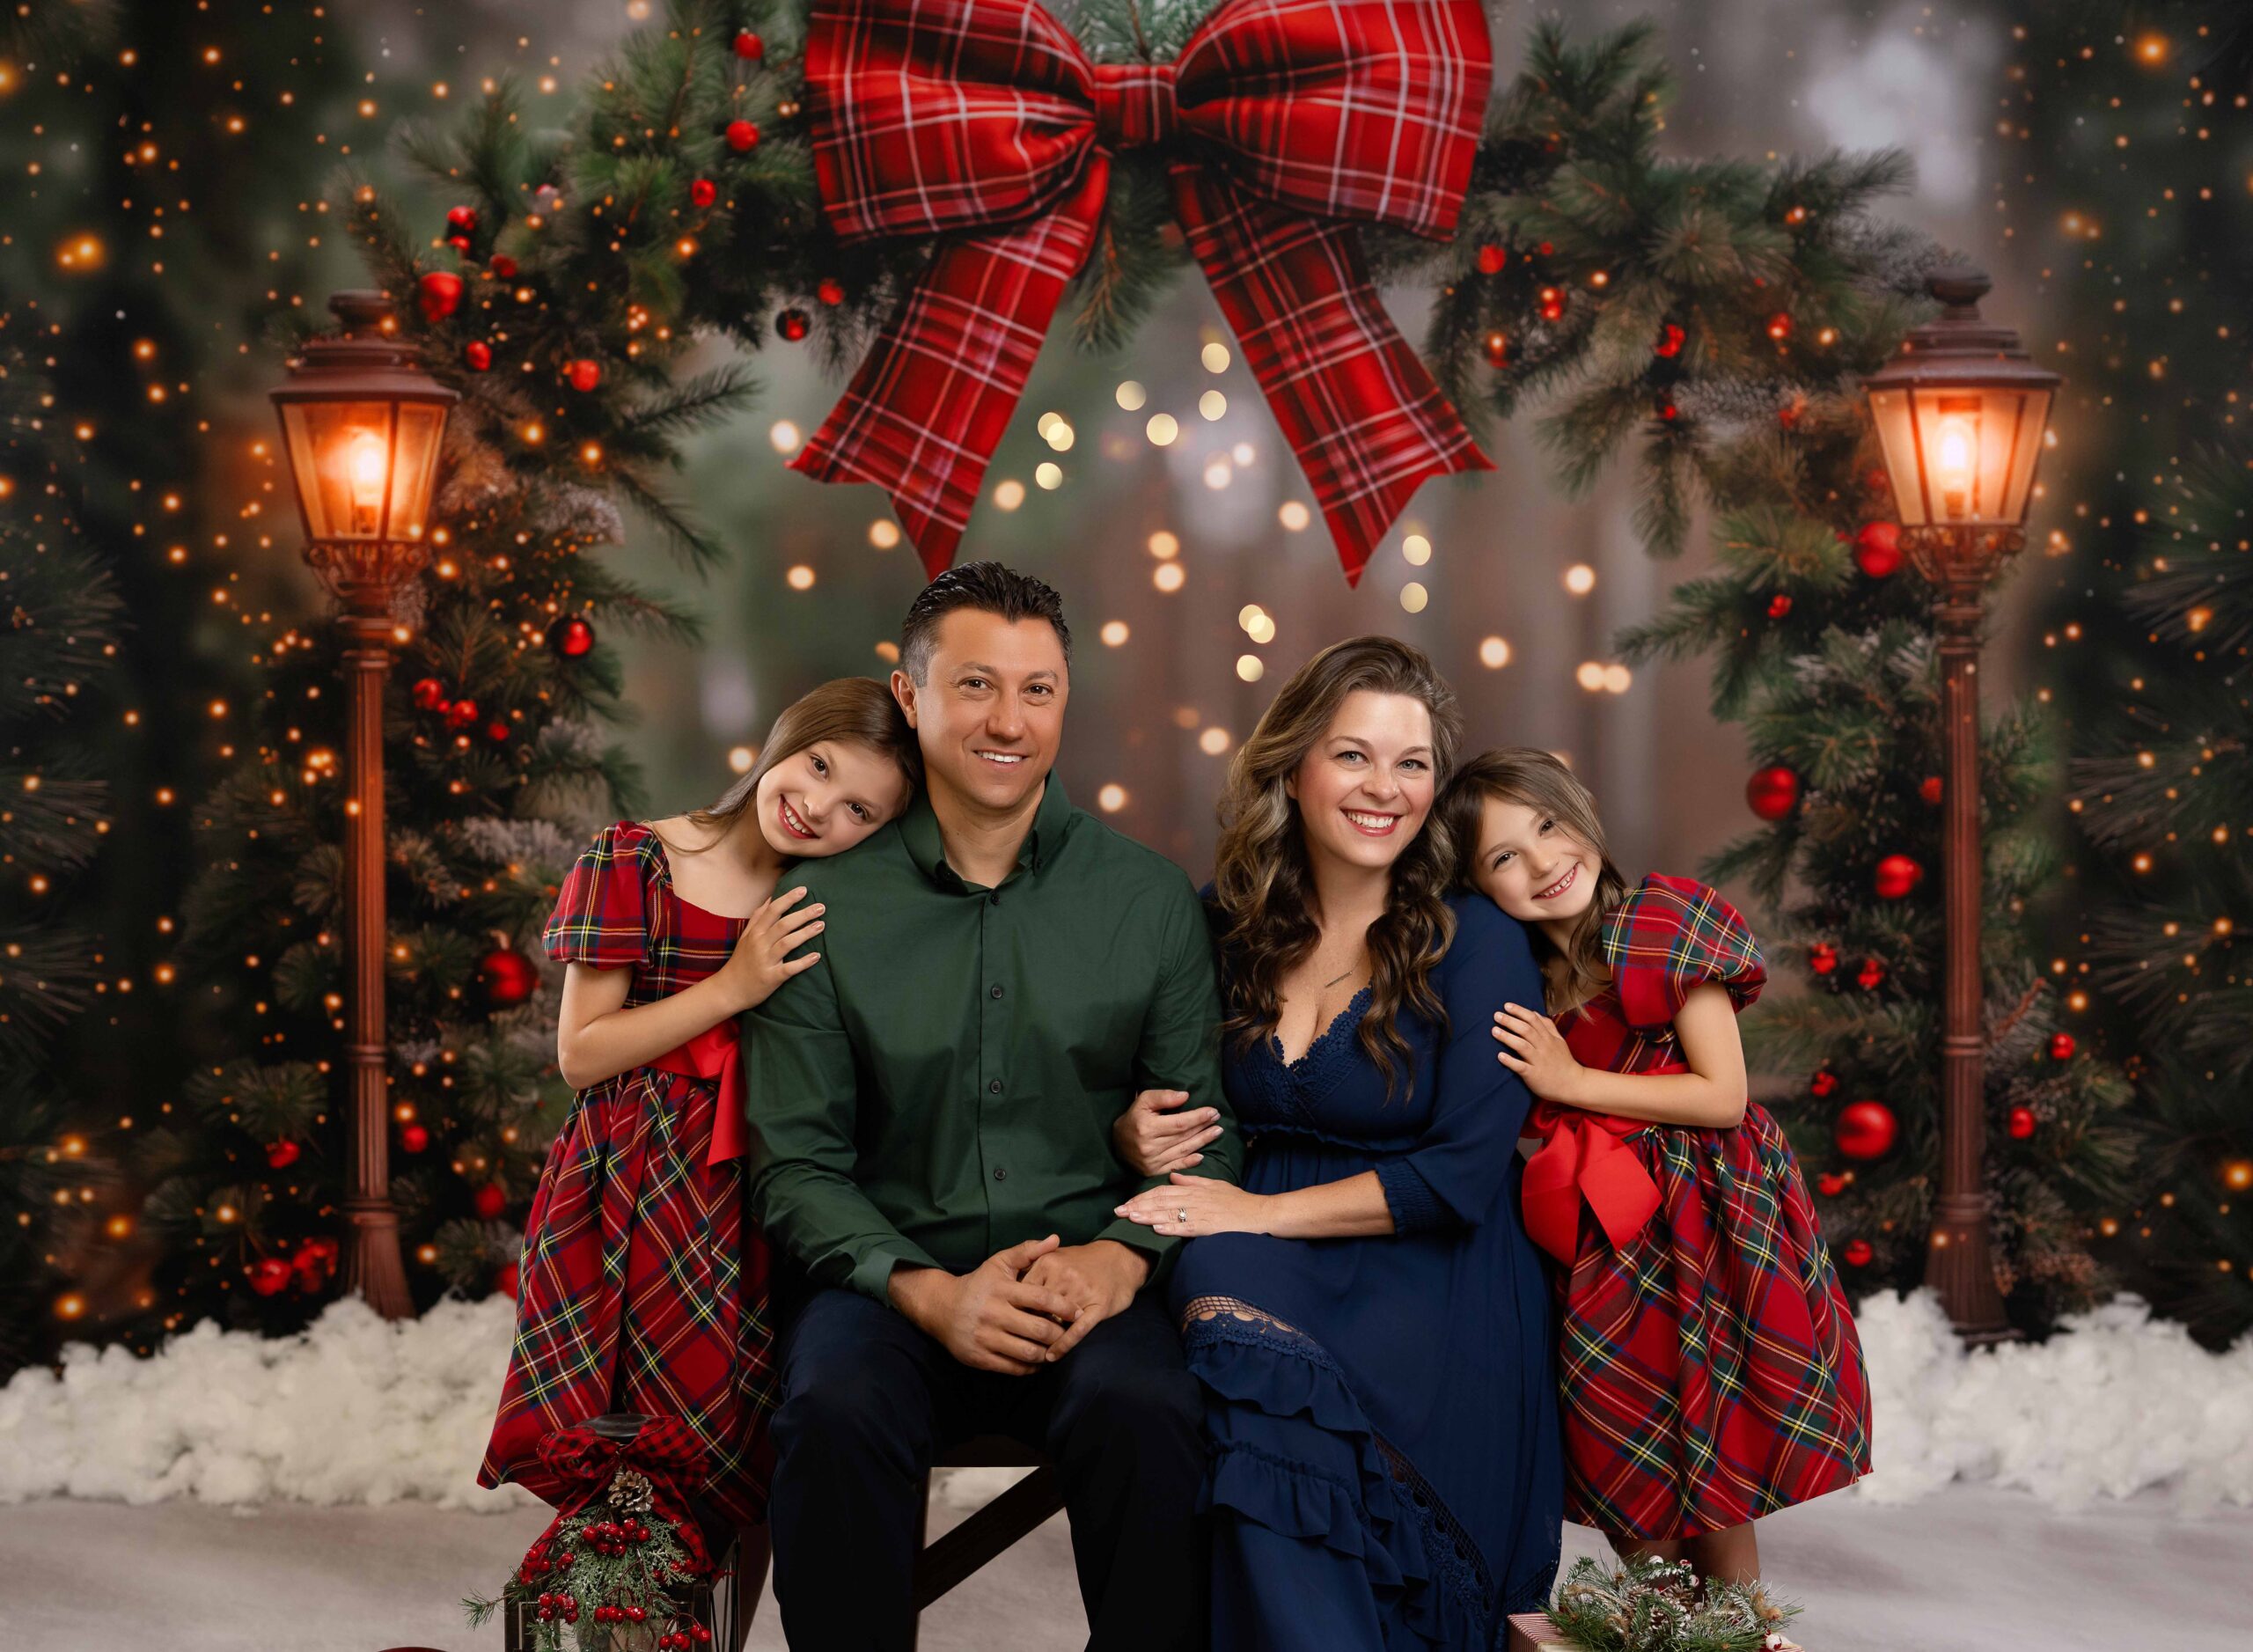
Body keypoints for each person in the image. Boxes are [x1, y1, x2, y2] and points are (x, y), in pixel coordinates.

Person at [744, 562, 1238, 1652]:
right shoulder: (818, 904)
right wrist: (928, 1294)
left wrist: (1115, 1261)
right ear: (911, 695)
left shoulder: (1145, 898)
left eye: (1038, 690)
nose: (1008, 721)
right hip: (887, 1280)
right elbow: (797, 1169)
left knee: (1156, 1412)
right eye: (975, 685)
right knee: (829, 1411)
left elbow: (1203, 1130)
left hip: (1090, 1278)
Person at [1113, 636, 1563, 1651]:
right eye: (1353, 754)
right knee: (1217, 1299)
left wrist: (1257, 1213)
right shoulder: (1219, 925)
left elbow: (1461, 1175)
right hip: (1250, 1257)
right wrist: (1128, 1124)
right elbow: (1155, 1086)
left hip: (1431, 1279)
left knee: (1222, 1264)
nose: (1385, 787)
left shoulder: (1476, 937)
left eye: (1412, 763)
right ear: (1293, 765)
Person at [479, 678, 919, 1536]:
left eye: (858, 809)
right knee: (615, 1450)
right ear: (787, 735)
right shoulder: (638, 857)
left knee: (737, 1456)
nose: (818, 804)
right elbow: (582, 1052)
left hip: (751, 1197)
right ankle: (618, 1616)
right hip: (624, 1192)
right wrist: (731, 986)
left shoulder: (826, 909)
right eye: (819, 765)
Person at [1449, 746, 1871, 1583]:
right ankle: (1660, 1625)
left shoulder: (1658, 924)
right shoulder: (1517, 975)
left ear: (1583, 815)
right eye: (1504, 856)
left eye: (1548, 825)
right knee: (1624, 1437)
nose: (1541, 861)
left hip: (1706, 1213)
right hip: (1604, 1233)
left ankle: (1737, 1625)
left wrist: (1572, 1081)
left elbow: (1723, 1095)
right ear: (1476, 883)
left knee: (1713, 1450)